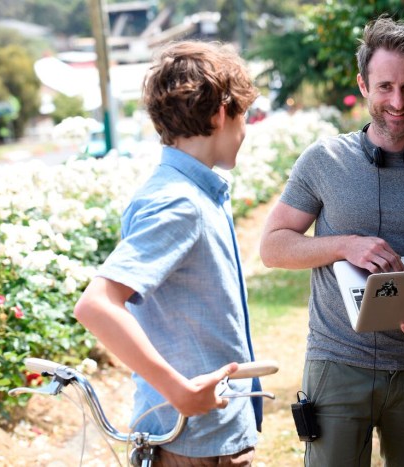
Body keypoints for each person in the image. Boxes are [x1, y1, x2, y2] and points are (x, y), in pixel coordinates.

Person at [260, 17, 404, 466]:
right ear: (363, 85)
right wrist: (345, 245)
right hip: (337, 362)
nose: (396, 102)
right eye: (384, 87)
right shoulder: (322, 161)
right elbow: (273, 246)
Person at [74, 41, 262, 465]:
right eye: (243, 115)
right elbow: (97, 305)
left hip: (206, 434)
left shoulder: (188, 191)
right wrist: (179, 389)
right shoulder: (181, 202)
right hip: (195, 444)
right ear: (220, 113)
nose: (245, 129)